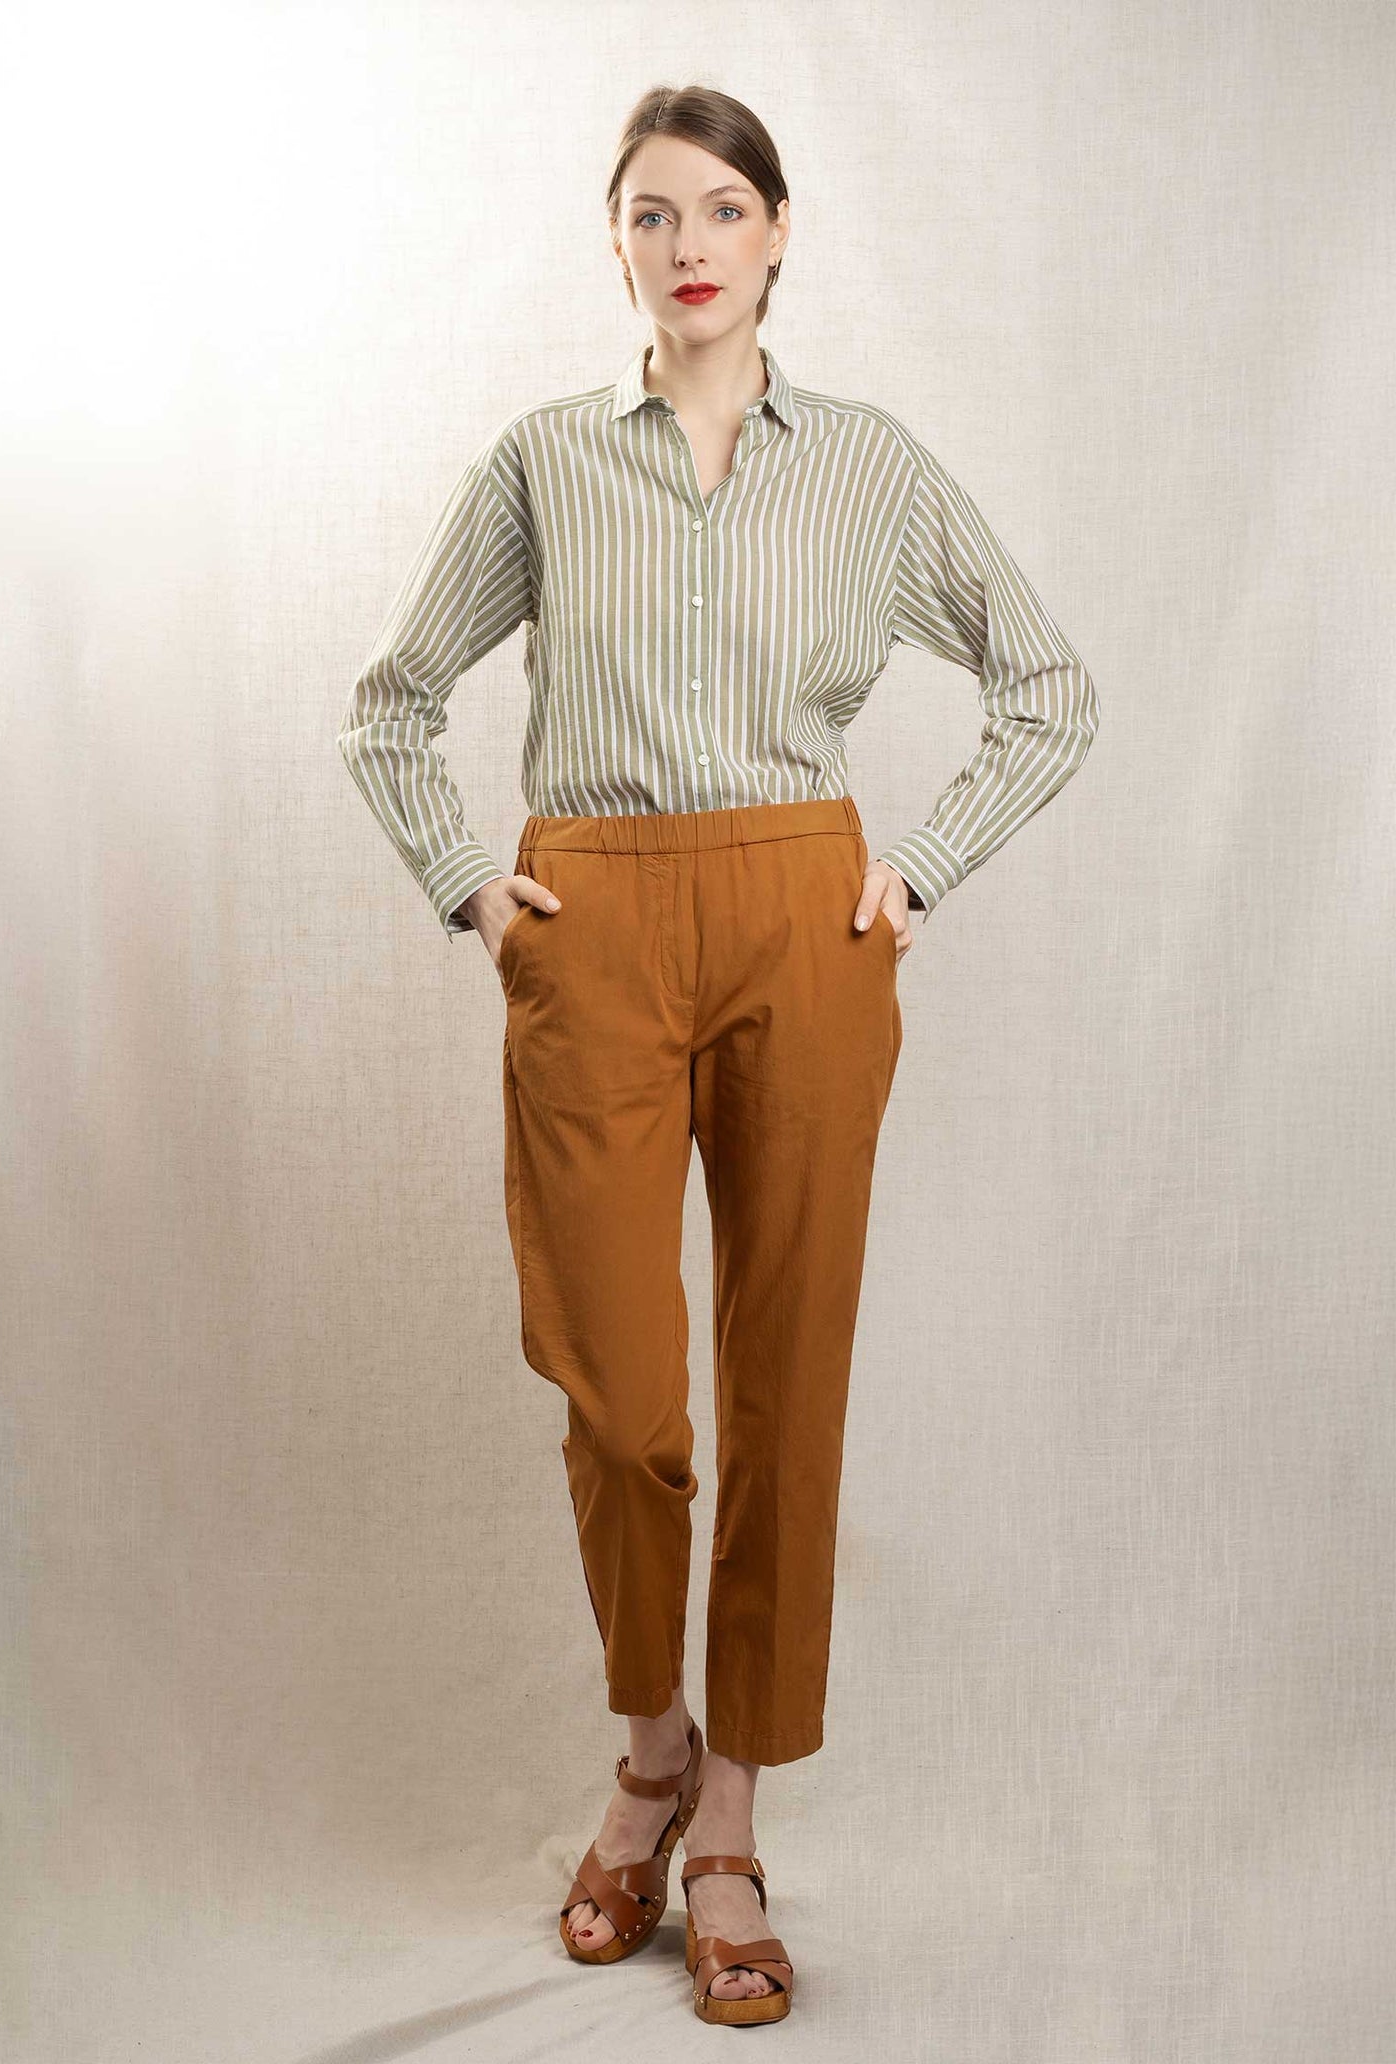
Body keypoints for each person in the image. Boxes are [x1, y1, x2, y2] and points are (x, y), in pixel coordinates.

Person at [336, 83, 1099, 2027]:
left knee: (786, 1375)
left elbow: (1048, 685)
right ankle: (650, 1745)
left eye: (725, 208)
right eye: (653, 212)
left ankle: (732, 1816)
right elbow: (393, 704)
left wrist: (920, 868)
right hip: (592, 921)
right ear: (614, 244)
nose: (690, 244)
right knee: (620, 1392)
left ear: (779, 234)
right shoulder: (542, 463)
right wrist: (476, 891)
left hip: (801, 924)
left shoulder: (869, 467)